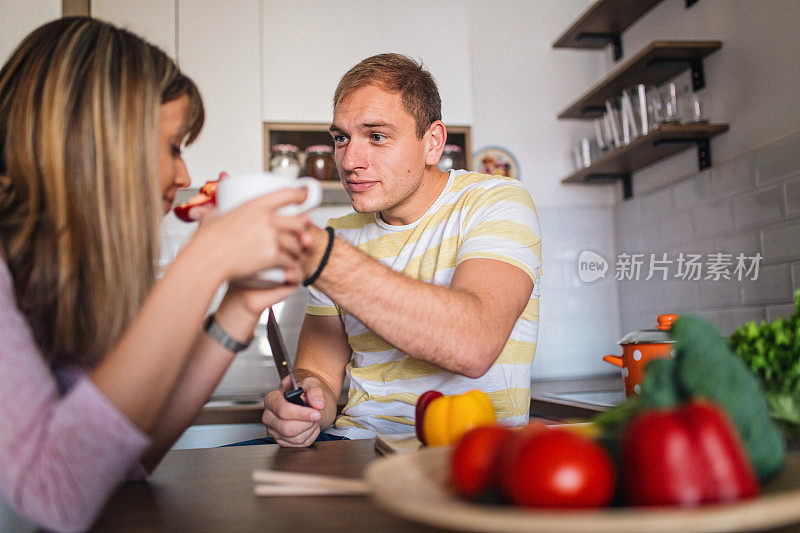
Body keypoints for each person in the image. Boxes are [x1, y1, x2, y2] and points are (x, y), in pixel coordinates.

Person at [0, 17, 312, 532]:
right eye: (173, 147)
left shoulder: (56, 275)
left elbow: (123, 462)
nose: (184, 177)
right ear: (99, 141)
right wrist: (205, 258)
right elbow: (55, 495)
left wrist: (238, 306)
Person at [261, 53, 542, 446]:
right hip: (354, 445)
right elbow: (319, 373)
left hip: (470, 455)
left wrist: (319, 254)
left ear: (432, 143)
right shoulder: (339, 235)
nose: (349, 160)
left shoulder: (496, 201)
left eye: (376, 136)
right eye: (341, 138)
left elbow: (474, 345)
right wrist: (305, 408)